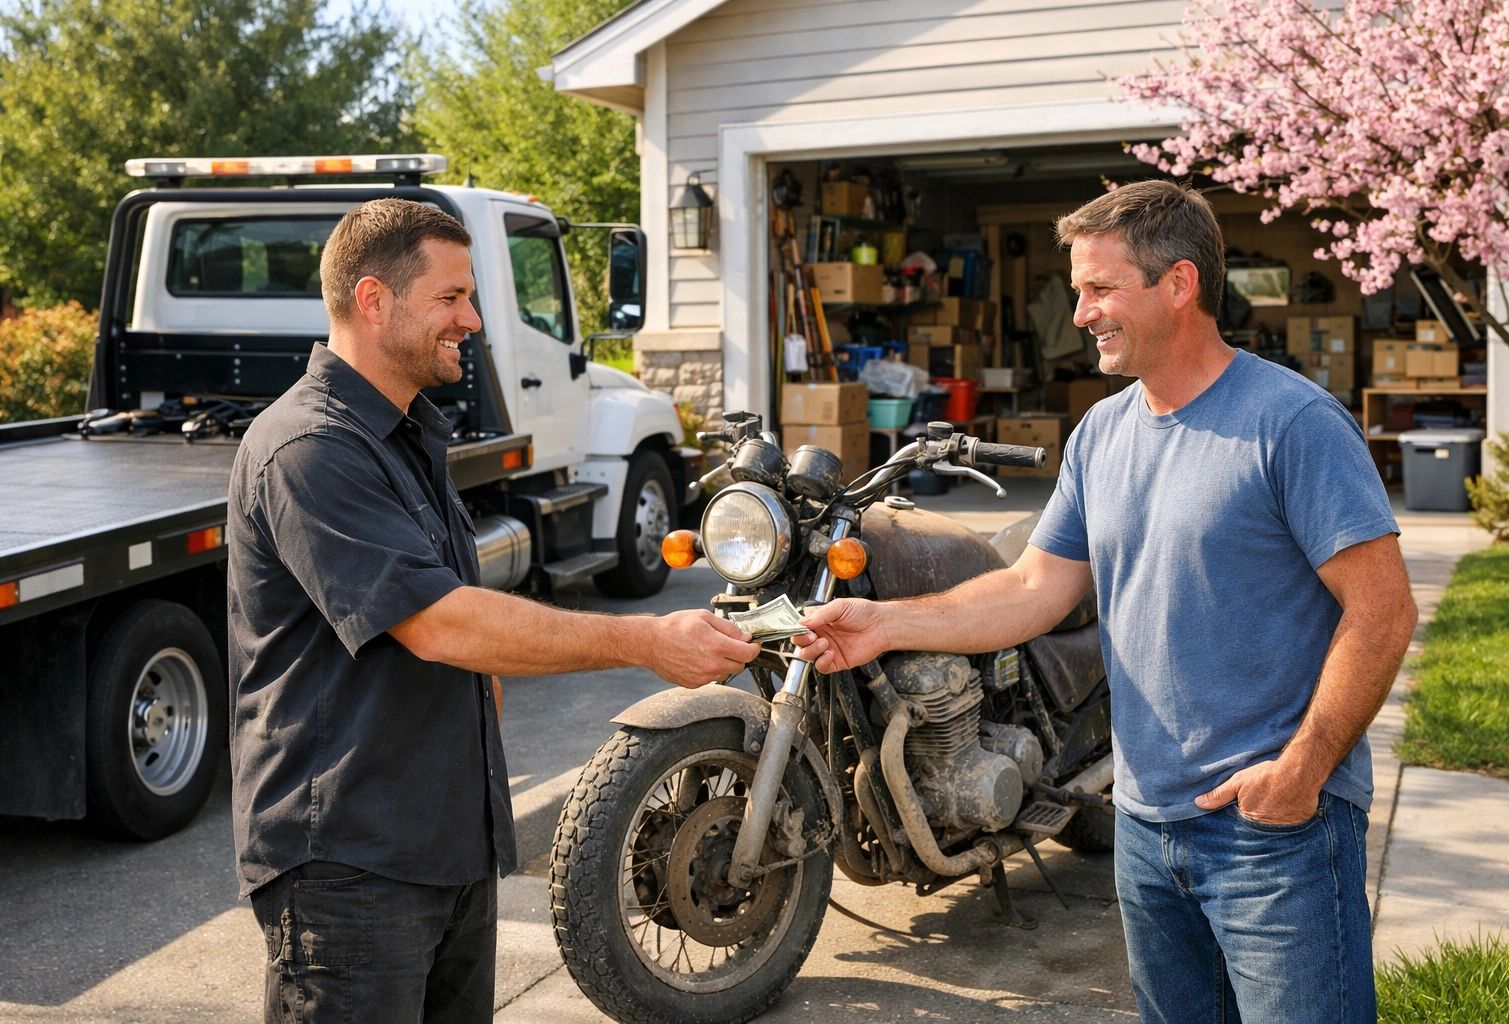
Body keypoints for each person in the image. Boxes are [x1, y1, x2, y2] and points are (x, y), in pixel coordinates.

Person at [793, 181, 1417, 1023]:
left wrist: (1302, 771)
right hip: (1146, 827)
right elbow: (1033, 588)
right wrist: (886, 624)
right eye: (1078, 289)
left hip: (1273, 832)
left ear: (1180, 284)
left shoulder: (1292, 423)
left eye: (1100, 288)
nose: (1081, 313)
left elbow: (1383, 611)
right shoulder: (1102, 431)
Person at [227, 197, 758, 1024]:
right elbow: (439, 622)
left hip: (446, 850)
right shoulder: (310, 447)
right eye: (450, 298)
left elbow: (458, 625)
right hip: (351, 867)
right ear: (373, 300)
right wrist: (648, 640)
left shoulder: (405, 433)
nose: (472, 320)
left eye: (469, 298)